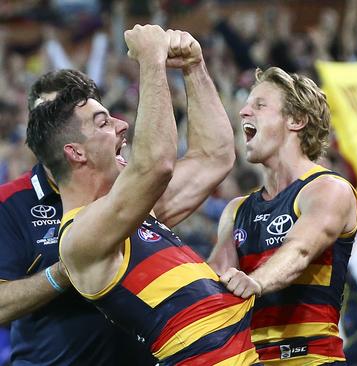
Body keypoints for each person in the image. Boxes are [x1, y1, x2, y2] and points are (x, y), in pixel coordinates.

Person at [24, 24, 258, 365]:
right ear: (76, 153)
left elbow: (215, 156)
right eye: (103, 123)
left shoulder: (138, 210)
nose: (122, 126)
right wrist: (151, 58)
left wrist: (194, 67)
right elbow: (157, 164)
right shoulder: (80, 238)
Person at [0, 74, 157, 364]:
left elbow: (211, 161)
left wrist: (193, 69)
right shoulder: (8, 203)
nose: (51, 122)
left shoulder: (124, 191)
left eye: (63, 112)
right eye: (44, 114)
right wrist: (65, 271)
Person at [207, 66, 357, 365]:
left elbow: (299, 251)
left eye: (260, 105)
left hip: (314, 359)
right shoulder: (236, 210)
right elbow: (215, 283)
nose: (243, 112)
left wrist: (256, 282)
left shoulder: (328, 189)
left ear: (296, 120)